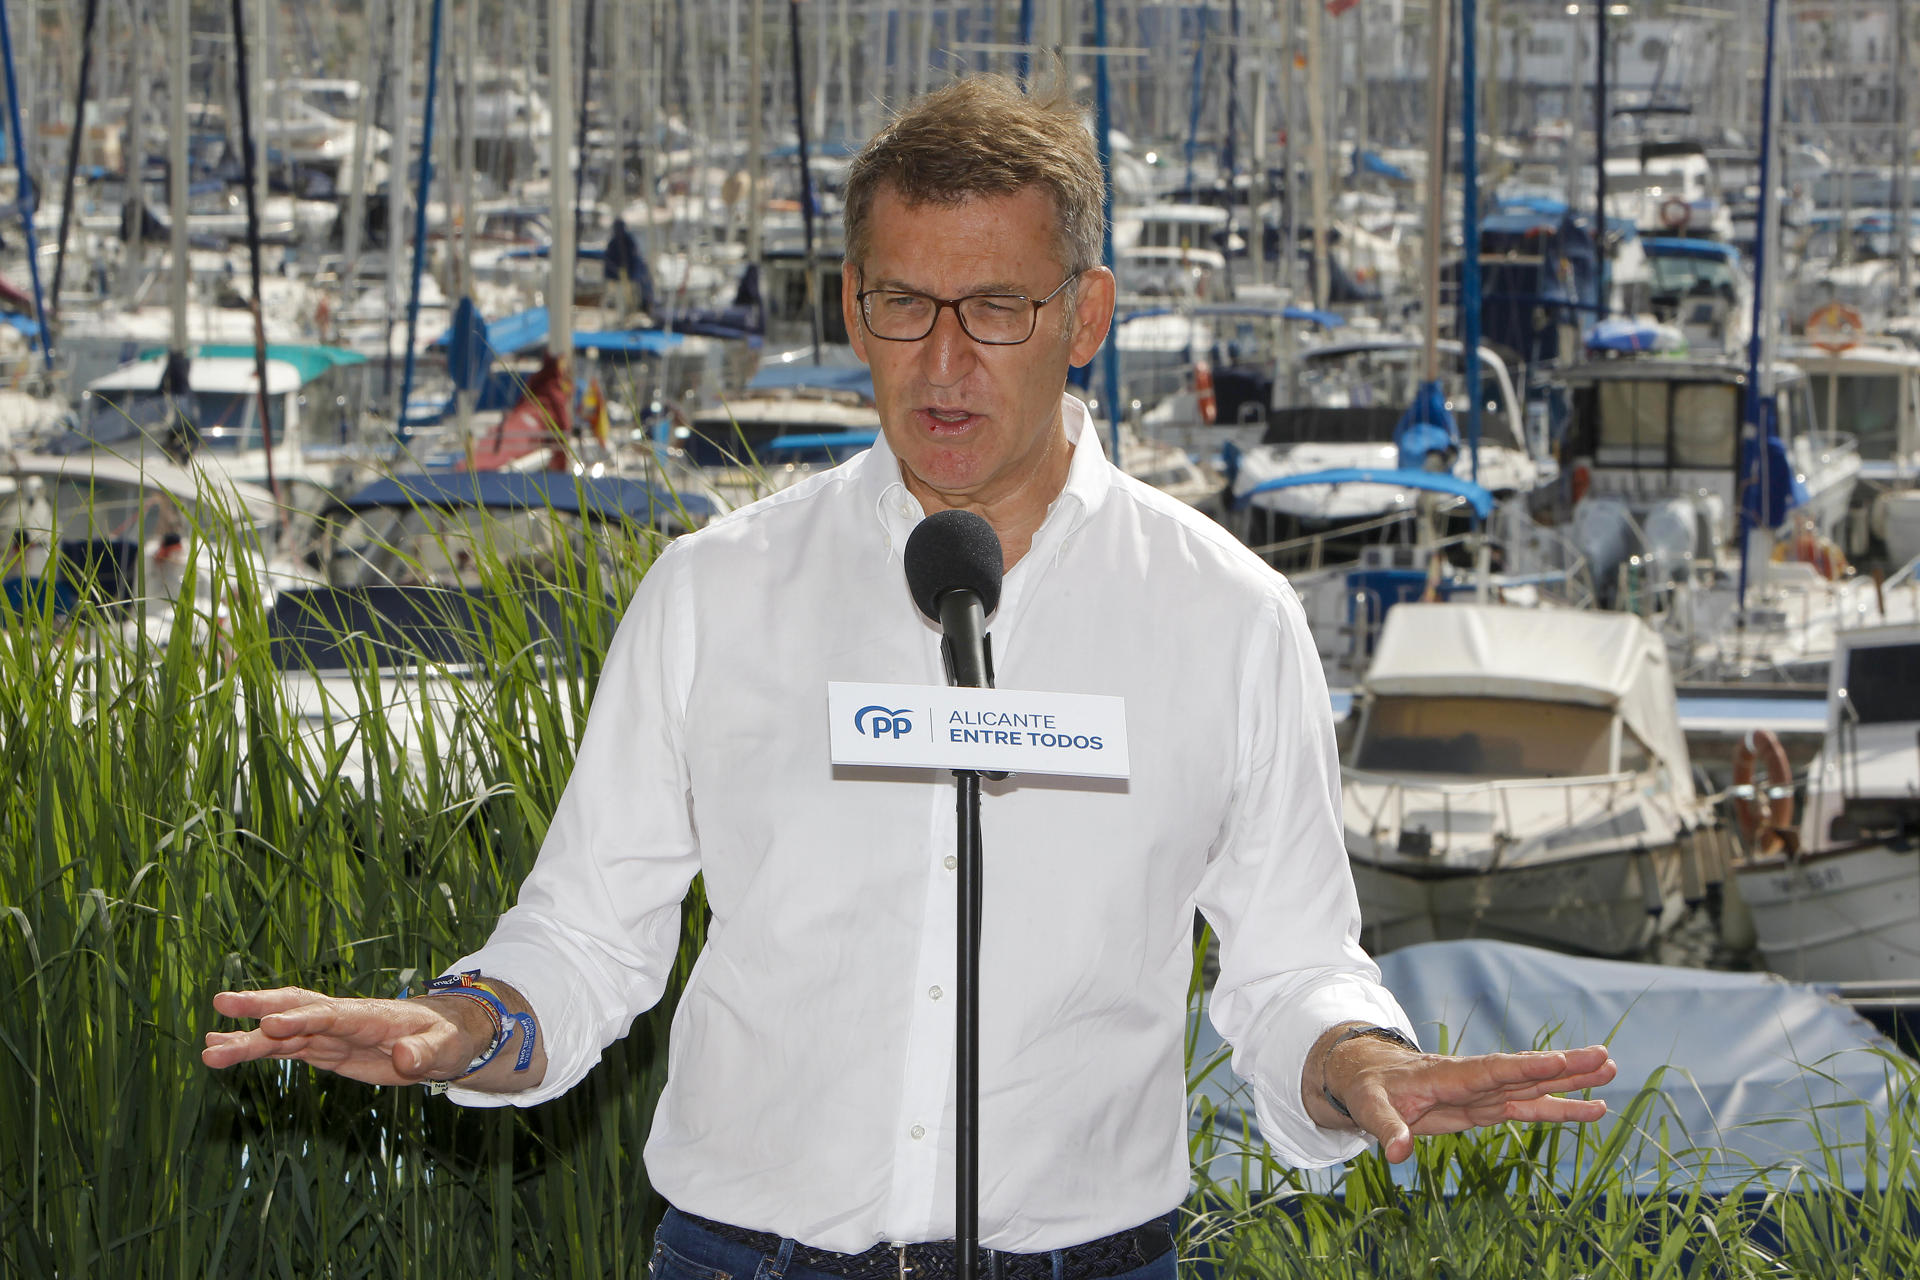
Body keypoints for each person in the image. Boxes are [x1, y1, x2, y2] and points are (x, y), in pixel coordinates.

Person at [205, 75, 1616, 1280]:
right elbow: (585, 938)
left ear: (1086, 317)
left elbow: (1293, 960)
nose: (943, 361)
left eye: (996, 308)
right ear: (849, 305)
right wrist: (459, 1027)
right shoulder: (717, 592)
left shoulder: (1226, 618)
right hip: (744, 1253)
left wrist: (1356, 1056)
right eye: (902, 305)